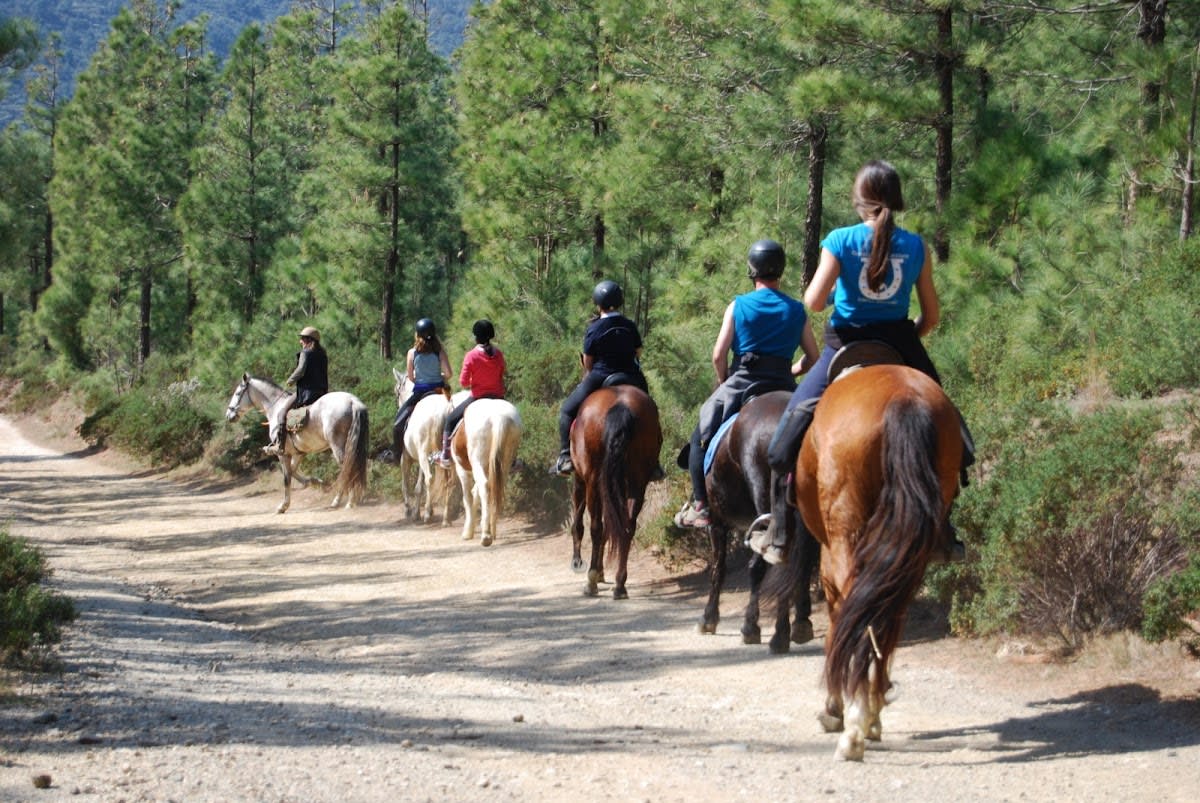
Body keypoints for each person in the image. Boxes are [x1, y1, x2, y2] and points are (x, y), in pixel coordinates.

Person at [752, 159, 972, 563]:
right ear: (897, 199)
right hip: (901, 343)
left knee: (786, 440)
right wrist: (907, 335)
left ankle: (779, 533)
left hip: (846, 345)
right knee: (955, 433)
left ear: (859, 199)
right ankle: (944, 529)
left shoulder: (840, 240)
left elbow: (813, 301)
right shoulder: (917, 246)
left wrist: (841, 293)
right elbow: (931, 316)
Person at [673, 239, 819, 528]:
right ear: (781, 270)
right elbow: (813, 357)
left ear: (752, 270)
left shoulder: (738, 305)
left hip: (743, 380)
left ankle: (701, 504)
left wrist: (723, 380)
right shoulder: (796, 309)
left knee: (700, 434)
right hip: (783, 383)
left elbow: (718, 354)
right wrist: (791, 369)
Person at [550, 279, 649, 476]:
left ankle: (565, 456)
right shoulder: (629, 325)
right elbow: (638, 352)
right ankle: (653, 462)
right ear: (619, 301)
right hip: (631, 376)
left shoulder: (594, 328)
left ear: (598, 304)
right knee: (649, 408)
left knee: (567, 411)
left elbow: (588, 361)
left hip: (600, 376)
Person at [430, 319, 507, 468]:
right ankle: (514, 458)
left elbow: (464, 382)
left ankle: (445, 455)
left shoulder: (471, 356)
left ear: (476, 338)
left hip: (478, 396)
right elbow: (501, 373)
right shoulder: (498, 354)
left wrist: (476, 380)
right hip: (498, 396)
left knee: (450, 420)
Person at [264, 326, 329, 455]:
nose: (300, 341)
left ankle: (280, 446)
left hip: (307, 392)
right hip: (321, 393)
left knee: (281, 413)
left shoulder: (305, 353)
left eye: (303, 339)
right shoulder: (323, 355)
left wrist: (290, 380)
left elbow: (301, 370)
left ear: (309, 340)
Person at [392, 318, 453, 451]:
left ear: (417, 335)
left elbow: (411, 377)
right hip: (439, 391)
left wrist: (422, 379)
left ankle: (397, 453)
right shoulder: (440, 352)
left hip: (420, 393)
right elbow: (448, 374)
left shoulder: (412, 353)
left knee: (398, 423)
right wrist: (439, 376)